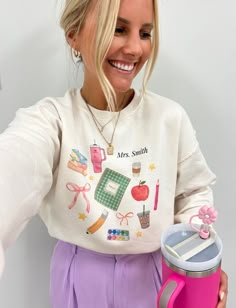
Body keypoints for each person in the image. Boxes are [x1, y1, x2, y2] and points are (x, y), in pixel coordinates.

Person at [0, 0, 228, 307]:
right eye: (118, 29)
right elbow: (14, 166)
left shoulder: (169, 119)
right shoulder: (52, 121)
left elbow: (194, 192)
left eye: (145, 33)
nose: (135, 48)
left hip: (156, 274)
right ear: (73, 35)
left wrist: (198, 260)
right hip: (77, 276)